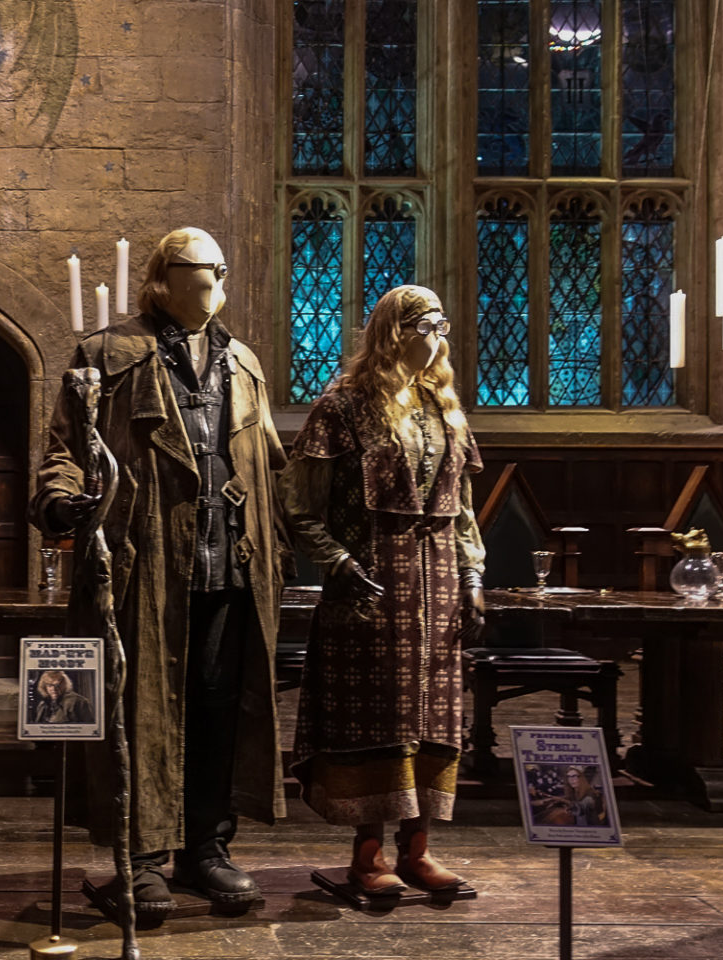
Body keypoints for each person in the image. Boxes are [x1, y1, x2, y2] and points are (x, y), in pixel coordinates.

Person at [30, 227, 288, 917]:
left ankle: (206, 849)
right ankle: (139, 857)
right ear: (163, 278)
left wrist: (290, 541)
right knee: (141, 708)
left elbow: (269, 465)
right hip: (145, 566)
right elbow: (67, 449)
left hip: (228, 567)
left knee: (215, 711)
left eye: (221, 269)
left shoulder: (244, 363)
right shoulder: (107, 356)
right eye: (201, 269)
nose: (215, 281)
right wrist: (60, 500)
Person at [280, 284, 485, 895]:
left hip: (438, 586)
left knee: (434, 715)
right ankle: (367, 855)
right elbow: (298, 502)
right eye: (426, 326)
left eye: (443, 326)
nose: (438, 338)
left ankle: (418, 849)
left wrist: (473, 575)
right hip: (370, 587)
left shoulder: (444, 407)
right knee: (375, 717)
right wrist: (337, 561)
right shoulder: (342, 407)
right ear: (395, 332)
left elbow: (462, 507)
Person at [31, 670, 95, 724]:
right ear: (45, 687)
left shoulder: (80, 702)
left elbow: (88, 728)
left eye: (57, 685)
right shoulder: (42, 705)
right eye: (50, 685)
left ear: (65, 684)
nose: (53, 689)